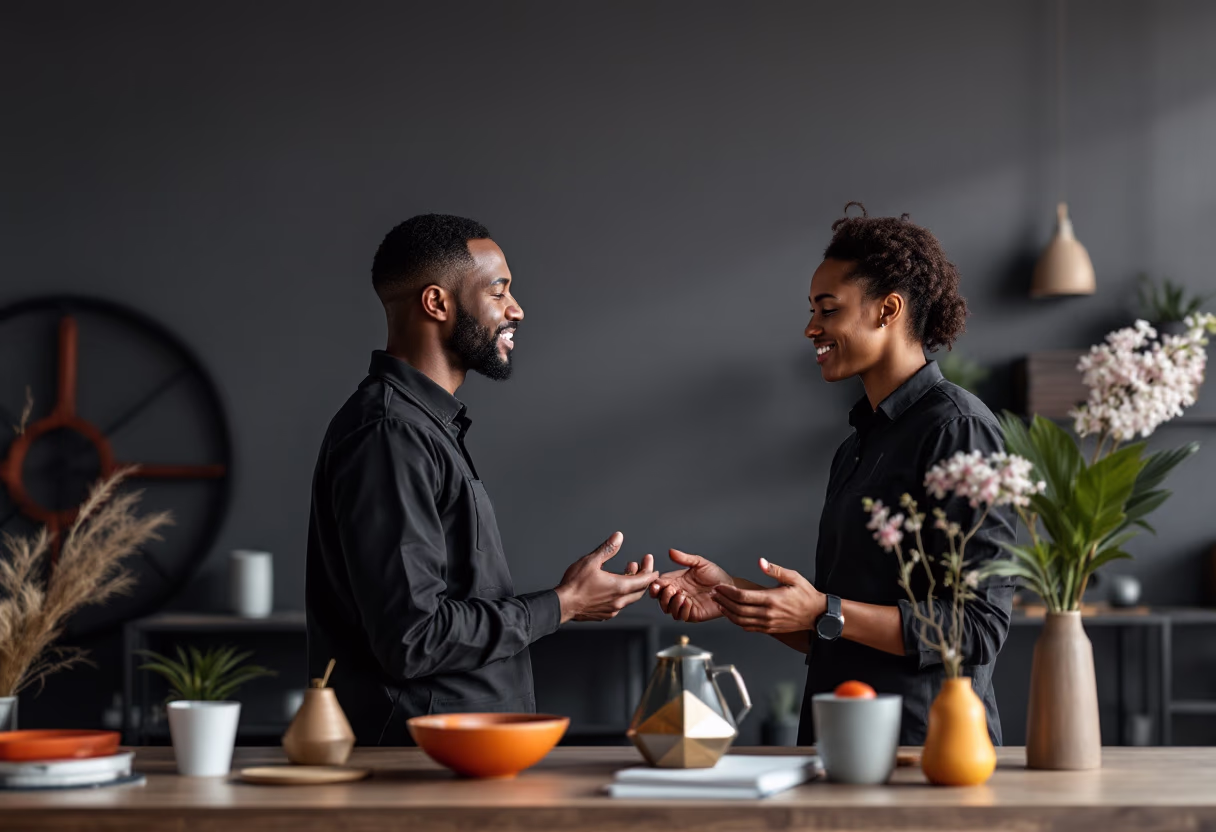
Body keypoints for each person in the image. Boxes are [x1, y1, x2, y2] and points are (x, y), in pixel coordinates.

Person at [649, 204, 1015, 745]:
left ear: (887, 310)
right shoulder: (856, 447)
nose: (811, 328)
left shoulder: (958, 430)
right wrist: (731, 594)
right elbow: (838, 630)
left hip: (924, 754)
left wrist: (826, 608)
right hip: (838, 747)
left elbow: (979, 627)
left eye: (828, 309)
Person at [306, 213, 656, 745]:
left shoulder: (421, 426)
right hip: (422, 767)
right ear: (437, 303)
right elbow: (413, 639)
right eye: (499, 291)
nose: (516, 309)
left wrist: (570, 601)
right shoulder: (390, 434)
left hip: (462, 755)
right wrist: (563, 604)